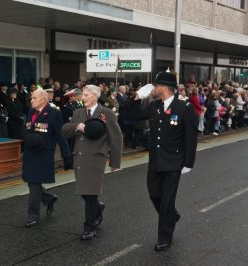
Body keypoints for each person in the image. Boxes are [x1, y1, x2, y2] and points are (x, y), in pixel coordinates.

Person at [128, 72, 197, 251]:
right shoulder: (154, 106)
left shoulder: (184, 108)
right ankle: (171, 216)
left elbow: (191, 137)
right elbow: (132, 115)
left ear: (164, 88)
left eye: (155, 86)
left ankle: (164, 237)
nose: (153, 89)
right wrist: (136, 97)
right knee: (154, 194)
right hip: (156, 161)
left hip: (174, 162)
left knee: (166, 200)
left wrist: (188, 162)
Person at [62, 84, 123, 240]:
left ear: (95, 96)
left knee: (90, 191)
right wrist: (77, 127)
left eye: (86, 95)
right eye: (83, 95)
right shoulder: (78, 113)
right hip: (80, 157)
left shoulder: (107, 113)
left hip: (96, 158)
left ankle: (89, 227)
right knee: (84, 191)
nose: (83, 98)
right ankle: (97, 207)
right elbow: (65, 130)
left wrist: (115, 162)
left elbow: (116, 138)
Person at [22, 89, 72, 227]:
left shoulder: (54, 113)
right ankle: (49, 198)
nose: (31, 100)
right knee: (31, 182)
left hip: (43, 154)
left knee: (35, 183)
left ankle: (33, 216)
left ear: (43, 99)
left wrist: (66, 155)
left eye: (34, 98)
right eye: (31, 98)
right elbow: (27, 129)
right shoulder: (31, 111)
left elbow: (60, 135)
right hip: (30, 152)